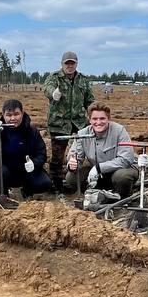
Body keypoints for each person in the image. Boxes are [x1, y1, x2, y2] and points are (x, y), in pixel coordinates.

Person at [41, 51, 95, 192]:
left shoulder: (83, 80)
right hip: (59, 123)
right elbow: (47, 88)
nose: (70, 66)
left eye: (72, 63)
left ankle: (83, 179)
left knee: (85, 151)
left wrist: (95, 114)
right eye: (67, 63)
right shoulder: (54, 78)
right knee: (57, 156)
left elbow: (89, 100)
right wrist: (53, 93)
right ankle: (56, 184)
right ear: (62, 64)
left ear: (76, 64)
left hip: (79, 122)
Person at [0, 99, 53, 198]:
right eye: (9, 115)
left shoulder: (31, 130)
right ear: (3, 114)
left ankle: (27, 190)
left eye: (16, 114)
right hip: (7, 171)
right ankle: (3, 194)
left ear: (22, 113)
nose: (13, 118)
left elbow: (42, 153)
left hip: (27, 172)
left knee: (45, 183)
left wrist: (34, 163)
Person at [63, 102, 137, 197]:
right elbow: (75, 155)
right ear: (89, 120)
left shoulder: (119, 131)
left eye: (102, 118)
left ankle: (123, 195)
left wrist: (98, 168)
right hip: (98, 174)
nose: (98, 122)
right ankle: (94, 194)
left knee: (121, 177)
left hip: (121, 169)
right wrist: (72, 163)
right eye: (94, 119)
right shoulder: (82, 134)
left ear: (108, 119)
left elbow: (126, 159)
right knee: (71, 177)